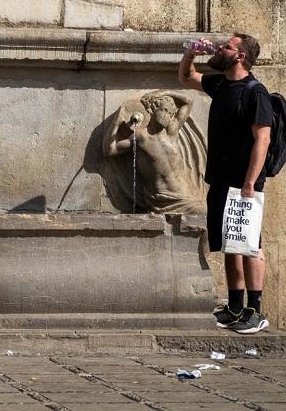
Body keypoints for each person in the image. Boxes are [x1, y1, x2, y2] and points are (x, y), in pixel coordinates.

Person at [178, 33, 272, 333]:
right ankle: (234, 307)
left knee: (251, 245)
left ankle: (255, 311)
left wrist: (250, 182)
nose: (221, 49)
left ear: (240, 56)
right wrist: (191, 52)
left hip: (245, 182)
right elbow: (187, 77)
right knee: (232, 243)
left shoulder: (255, 92)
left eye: (227, 46)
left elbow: (263, 139)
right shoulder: (221, 84)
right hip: (220, 178)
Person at [103, 90, 206, 214]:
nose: (167, 116)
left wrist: (163, 93)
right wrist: (117, 121)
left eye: (170, 113)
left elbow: (189, 101)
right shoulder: (142, 138)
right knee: (205, 213)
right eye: (164, 110)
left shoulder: (172, 131)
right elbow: (110, 150)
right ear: (152, 110)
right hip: (162, 198)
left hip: (185, 194)